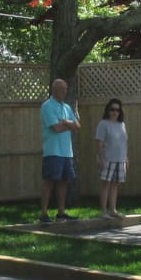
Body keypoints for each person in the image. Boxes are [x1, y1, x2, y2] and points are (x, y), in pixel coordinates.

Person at [39, 78, 80, 223]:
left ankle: (61, 212)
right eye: (62, 89)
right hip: (53, 150)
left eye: (66, 89)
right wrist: (69, 124)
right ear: (54, 90)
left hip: (66, 151)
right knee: (49, 182)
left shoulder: (67, 107)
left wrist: (66, 122)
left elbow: (77, 125)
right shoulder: (47, 106)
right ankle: (44, 213)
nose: (65, 92)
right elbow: (55, 128)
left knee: (64, 181)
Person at [95, 97, 129, 218]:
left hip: (120, 160)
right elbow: (99, 143)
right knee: (106, 185)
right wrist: (101, 159)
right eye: (112, 109)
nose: (115, 112)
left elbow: (124, 142)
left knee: (115, 185)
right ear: (108, 110)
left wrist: (126, 158)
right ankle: (104, 211)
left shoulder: (122, 125)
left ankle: (113, 210)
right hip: (108, 159)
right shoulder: (103, 124)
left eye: (117, 110)